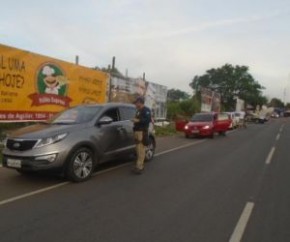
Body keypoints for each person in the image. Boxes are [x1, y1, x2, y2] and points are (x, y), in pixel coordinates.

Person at [132, 96, 151, 174]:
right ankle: (138, 165)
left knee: (141, 150)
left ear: (140, 102)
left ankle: (140, 167)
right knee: (137, 149)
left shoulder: (146, 110)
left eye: (136, 103)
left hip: (142, 132)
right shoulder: (138, 111)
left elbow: (147, 120)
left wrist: (137, 120)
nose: (135, 104)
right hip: (137, 132)